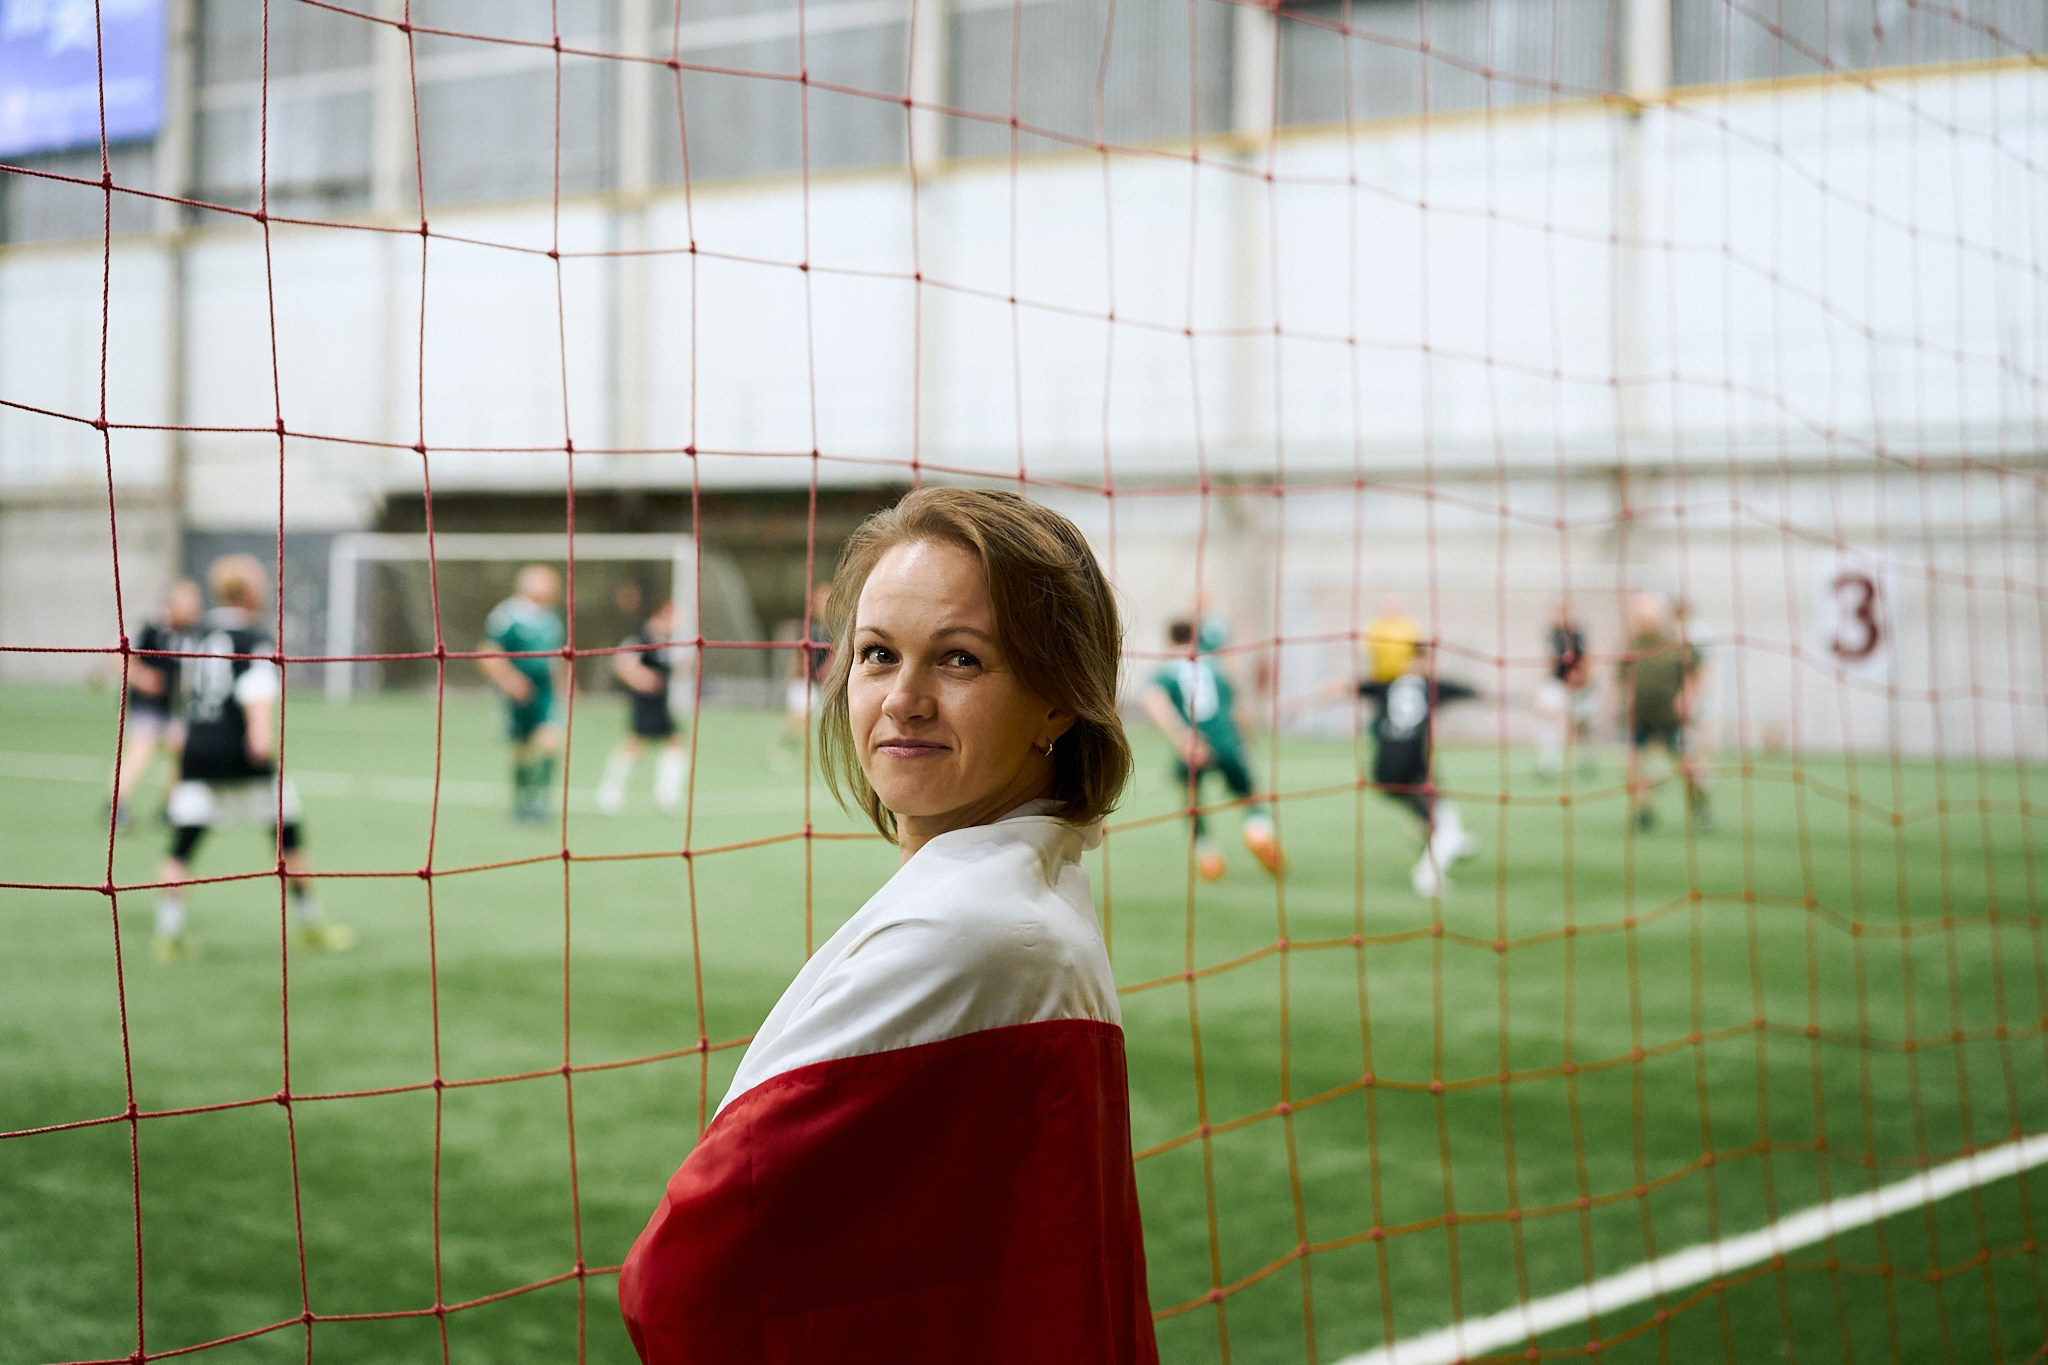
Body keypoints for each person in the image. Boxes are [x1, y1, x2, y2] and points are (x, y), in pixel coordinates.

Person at [619, 488, 1158, 1365]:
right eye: (877, 654)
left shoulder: (969, 930)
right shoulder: (1034, 888)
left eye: (959, 659)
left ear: (1059, 696)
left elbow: (681, 1285)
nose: (902, 699)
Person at [151, 556, 352, 962]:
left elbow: (184, 690)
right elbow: (256, 696)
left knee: (181, 847)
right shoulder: (253, 640)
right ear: (249, 592)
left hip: (197, 751)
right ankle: (311, 924)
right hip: (240, 753)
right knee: (288, 836)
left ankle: (167, 936)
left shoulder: (196, 635)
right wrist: (260, 740)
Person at [1140, 618, 1282, 881]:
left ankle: (1207, 853)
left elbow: (1153, 702)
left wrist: (1183, 738)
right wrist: (1247, 736)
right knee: (1248, 792)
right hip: (1226, 740)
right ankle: (1257, 831)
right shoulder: (1213, 664)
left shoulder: (1165, 671)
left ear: (1170, 641)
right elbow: (1236, 706)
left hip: (1193, 744)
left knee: (1192, 798)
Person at [1357, 644, 1481, 897]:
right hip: (1413, 770)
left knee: (1438, 811)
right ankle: (1428, 875)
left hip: (1383, 772)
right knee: (1443, 823)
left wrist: (1300, 703)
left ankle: (1438, 833)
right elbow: (1474, 693)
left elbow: (1342, 688)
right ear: (1423, 662)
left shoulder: (1388, 684)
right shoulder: (1431, 686)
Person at [111, 579, 202, 829]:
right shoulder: (150, 627)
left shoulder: (190, 632)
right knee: (142, 749)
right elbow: (118, 658)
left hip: (173, 705)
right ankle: (117, 804)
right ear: (172, 603)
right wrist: (142, 677)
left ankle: (171, 807)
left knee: (183, 750)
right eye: (189, 604)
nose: (194, 610)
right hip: (146, 704)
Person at [477, 564, 566, 823]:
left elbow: (557, 656)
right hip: (518, 692)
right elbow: (487, 652)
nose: (550, 586)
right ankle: (521, 804)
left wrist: (564, 682)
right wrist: (510, 680)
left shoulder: (551, 618)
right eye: (544, 581)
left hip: (545, 690)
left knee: (549, 743)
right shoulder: (507, 615)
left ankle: (540, 804)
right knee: (521, 749)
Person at [1617, 591, 1707, 831]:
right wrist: (1625, 699)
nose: (1644, 619)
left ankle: (1700, 807)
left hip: (1673, 718)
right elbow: (1620, 677)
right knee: (1633, 765)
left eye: (1649, 614)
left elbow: (1696, 672)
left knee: (1689, 767)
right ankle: (1645, 811)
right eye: (1640, 614)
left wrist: (1688, 695)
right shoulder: (1630, 644)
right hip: (1641, 717)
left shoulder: (1676, 642)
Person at [595, 600, 689, 814]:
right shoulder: (641, 636)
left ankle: (666, 794)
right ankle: (610, 790)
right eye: (675, 615)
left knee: (674, 742)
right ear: (663, 613)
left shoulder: (665, 641)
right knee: (636, 742)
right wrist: (640, 678)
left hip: (660, 701)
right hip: (644, 701)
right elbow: (622, 662)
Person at [772, 581, 834, 766]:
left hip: (825, 683)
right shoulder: (808, 628)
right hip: (806, 682)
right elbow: (800, 657)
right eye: (822, 599)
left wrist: (827, 674)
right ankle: (783, 749)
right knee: (798, 719)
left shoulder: (833, 629)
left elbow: (835, 655)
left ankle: (787, 750)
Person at [1533, 600, 1597, 779]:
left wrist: (1581, 678)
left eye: (1565, 612)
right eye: (1558, 612)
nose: (1561, 617)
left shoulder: (1578, 634)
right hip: (1557, 684)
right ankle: (1548, 764)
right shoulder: (1551, 634)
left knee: (1583, 724)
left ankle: (1586, 761)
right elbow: (1549, 660)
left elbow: (1587, 660)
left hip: (1580, 687)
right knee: (1548, 721)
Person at [1363, 594, 1421, 685]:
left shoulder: (1408, 626)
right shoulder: (1375, 626)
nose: (1391, 609)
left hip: (1403, 675)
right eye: (1388, 606)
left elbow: (1417, 650)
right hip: (1380, 676)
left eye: (1394, 606)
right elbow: (1368, 651)